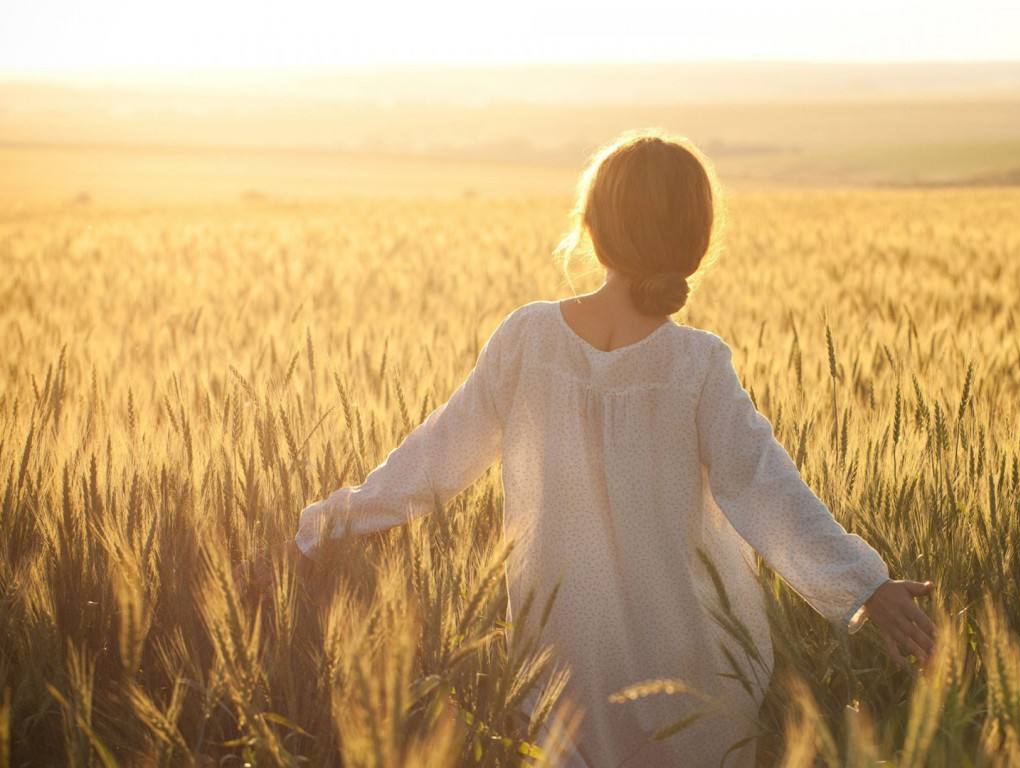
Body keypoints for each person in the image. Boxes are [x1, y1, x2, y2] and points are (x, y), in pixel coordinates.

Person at [291, 129, 938, 767]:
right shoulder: (696, 364)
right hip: (692, 662)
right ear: (694, 241)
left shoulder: (529, 338)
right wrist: (863, 587)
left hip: (560, 658)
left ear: (592, 227)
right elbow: (766, 490)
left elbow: (435, 459)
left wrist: (324, 527)